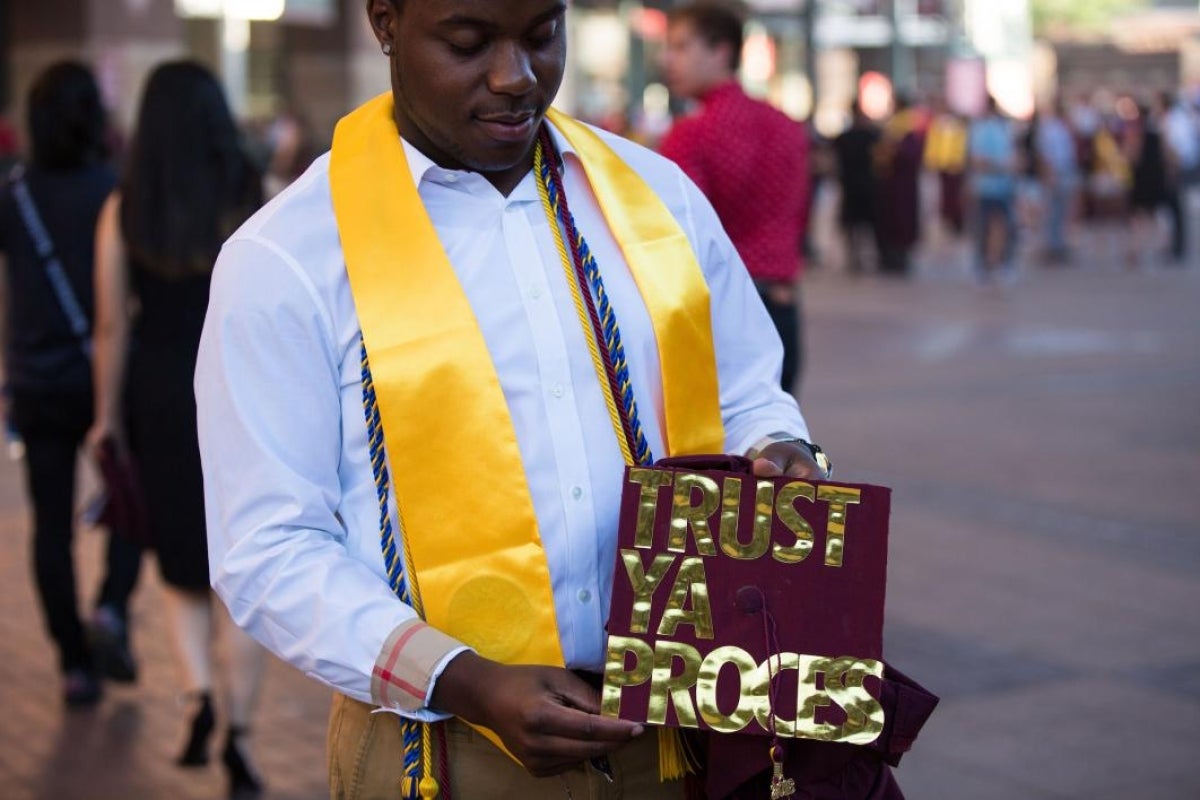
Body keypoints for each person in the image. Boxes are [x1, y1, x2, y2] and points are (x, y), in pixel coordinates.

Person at [194, 0, 932, 798]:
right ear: (385, 23)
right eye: (470, 43)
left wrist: (775, 451)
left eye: (542, 36)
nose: (516, 77)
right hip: (444, 751)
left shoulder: (657, 198)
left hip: (686, 732)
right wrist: (460, 679)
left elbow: (749, 389)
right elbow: (268, 548)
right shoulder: (288, 259)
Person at [87, 61, 267, 798]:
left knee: (180, 565)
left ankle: (196, 696)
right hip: (235, 390)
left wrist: (104, 419)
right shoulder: (248, 197)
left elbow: (108, 325)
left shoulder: (125, 206)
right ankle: (244, 740)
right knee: (245, 565)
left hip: (158, 393)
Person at [0, 60, 143, 707]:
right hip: (106, 375)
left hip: (37, 379)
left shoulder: (15, 193)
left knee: (49, 527)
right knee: (128, 504)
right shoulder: (114, 190)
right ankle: (111, 606)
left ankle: (73, 663)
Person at [658, 1, 809, 394]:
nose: (666, 59)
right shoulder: (786, 127)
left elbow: (677, 234)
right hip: (783, 306)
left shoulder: (690, 135)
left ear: (721, 51)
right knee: (775, 440)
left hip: (722, 314)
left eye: (680, 47)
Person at [968, 95, 1019, 283]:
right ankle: (983, 265)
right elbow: (978, 161)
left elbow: (1012, 158)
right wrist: (1000, 166)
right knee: (983, 227)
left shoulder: (1003, 128)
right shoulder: (979, 129)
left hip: (1002, 186)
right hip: (986, 187)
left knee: (1006, 226)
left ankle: (1003, 263)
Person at [873, 95, 923, 276]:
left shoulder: (902, 129)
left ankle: (898, 258)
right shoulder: (898, 128)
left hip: (900, 186)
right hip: (895, 187)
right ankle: (894, 258)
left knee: (899, 224)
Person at [833, 101, 882, 274]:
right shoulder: (871, 135)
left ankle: (856, 256)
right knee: (863, 223)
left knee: (855, 224)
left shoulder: (846, 137)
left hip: (853, 185)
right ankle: (861, 256)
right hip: (864, 185)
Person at [1034, 99, 1080, 264]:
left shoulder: (1062, 128)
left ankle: (1058, 245)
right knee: (1052, 212)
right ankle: (1051, 246)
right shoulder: (1049, 128)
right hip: (1055, 173)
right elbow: (1044, 154)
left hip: (1064, 172)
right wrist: (1048, 174)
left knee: (1061, 211)